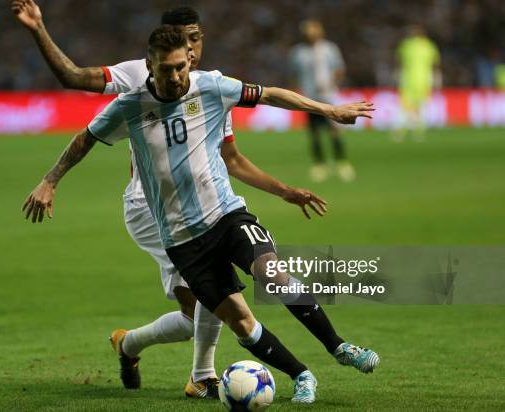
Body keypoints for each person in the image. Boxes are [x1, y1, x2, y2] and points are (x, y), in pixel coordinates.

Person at [22, 25, 378, 403]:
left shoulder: (211, 86)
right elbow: (85, 139)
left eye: (180, 67)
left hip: (226, 215)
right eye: (166, 69)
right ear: (149, 66)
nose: (175, 76)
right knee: (238, 320)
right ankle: (301, 376)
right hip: (182, 239)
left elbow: (270, 95)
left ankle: (340, 347)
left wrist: (328, 109)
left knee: (271, 274)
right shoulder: (129, 105)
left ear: (188, 61)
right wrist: (50, 180)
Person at [289, 20, 355, 182]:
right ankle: (320, 164)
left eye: (313, 31)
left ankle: (342, 162)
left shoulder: (329, 49)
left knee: (334, 129)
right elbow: (293, 73)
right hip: (309, 97)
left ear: (319, 32)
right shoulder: (298, 52)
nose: (310, 34)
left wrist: (332, 84)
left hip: (328, 96)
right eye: (307, 31)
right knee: (314, 132)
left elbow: (339, 69)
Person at [395, 24, 441, 141]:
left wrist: (397, 74)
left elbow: (398, 60)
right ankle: (418, 132)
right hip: (424, 79)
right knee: (421, 106)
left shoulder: (406, 45)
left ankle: (400, 131)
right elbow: (435, 64)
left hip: (408, 79)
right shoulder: (429, 45)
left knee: (406, 106)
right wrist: (437, 78)